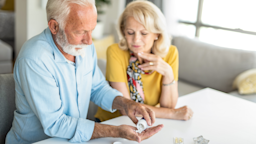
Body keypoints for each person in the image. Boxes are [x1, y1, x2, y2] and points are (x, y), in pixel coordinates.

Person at [5, 0, 164, 144]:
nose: (89, 41)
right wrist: (116, 131)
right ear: (54, 27)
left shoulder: (84, 48)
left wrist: (126, 103)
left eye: (91, 30)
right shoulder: (35, 59)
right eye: (80, 32)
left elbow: (98, 88)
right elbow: (56, 123)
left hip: (73, 139)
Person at [95, 1, 193, 122]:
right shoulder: (115, 52)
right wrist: (172, 114)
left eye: (144, 33)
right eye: (130, 32)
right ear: (123, 31)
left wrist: (168, 73)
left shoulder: (171, 53)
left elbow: (168, 107)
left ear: (157, 33)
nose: (136, 39)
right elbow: (126, 109)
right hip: (113, 122)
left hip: (147, 122)